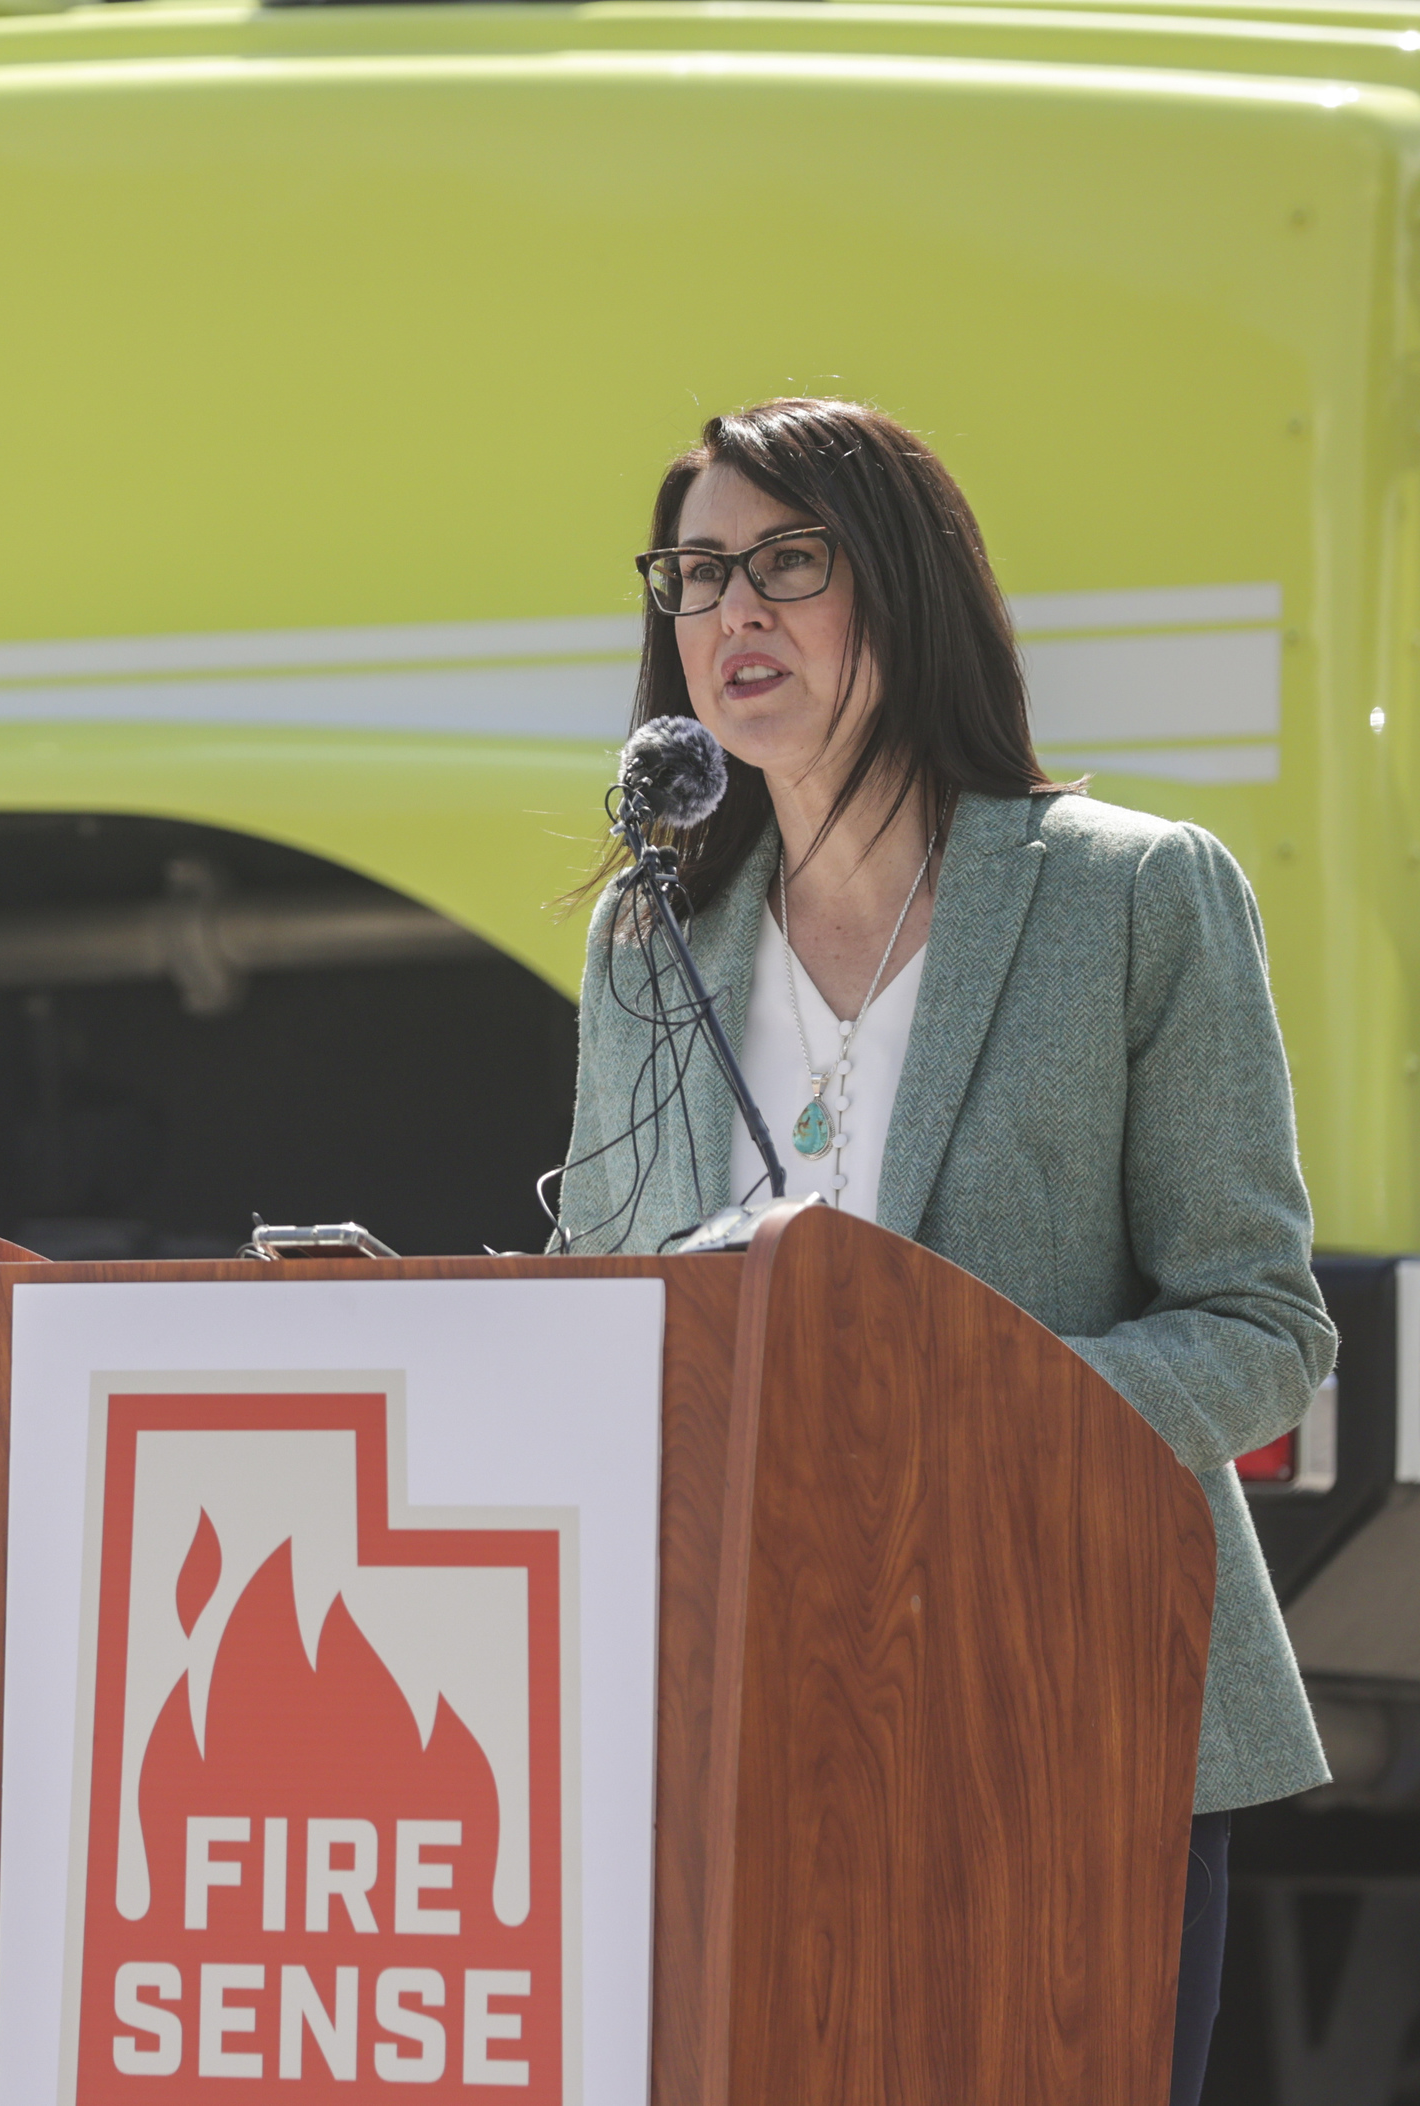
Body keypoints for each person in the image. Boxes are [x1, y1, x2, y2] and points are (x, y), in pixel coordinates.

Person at [555, 397, 1333, 2105]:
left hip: (1062, 1701)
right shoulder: (648, 945)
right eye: (694, 574)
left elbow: (1262, 1323)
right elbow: (600, 1311)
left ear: (898, 600)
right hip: (736, 1723)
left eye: (786, 564)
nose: (729, 614)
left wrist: (959, 1421)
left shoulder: (1131, 895)